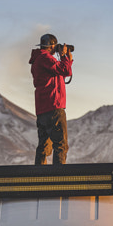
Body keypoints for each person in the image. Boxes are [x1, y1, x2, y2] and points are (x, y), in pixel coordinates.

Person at [29, 33, 73, 164]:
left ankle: (39, 178)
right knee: (60, 145)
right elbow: (65, 70)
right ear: (52, 45)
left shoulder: (38, 60)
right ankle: (58, 180)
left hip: (42, 109)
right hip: (53, 106)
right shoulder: (45, 58)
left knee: (44, 147)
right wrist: (64, 57)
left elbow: (60, 74)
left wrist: (67, 60)